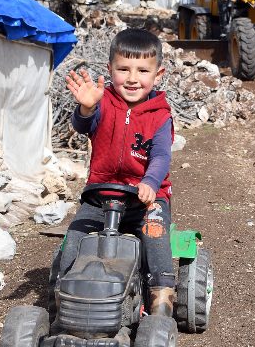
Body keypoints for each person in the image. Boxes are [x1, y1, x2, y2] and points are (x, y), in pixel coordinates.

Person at [60, 28, 175, 318]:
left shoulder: (160, 115)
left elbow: (161, 156)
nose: (132, 78)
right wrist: (86, 108)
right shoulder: (103, 101)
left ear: (157, 75)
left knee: (156, 234)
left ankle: (160, 300)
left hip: (146, 198)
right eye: (123, 69)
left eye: (142, 70)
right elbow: (84, 125)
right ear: (111, 69)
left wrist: (149, 182)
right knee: (74, 238)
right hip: (101, 195)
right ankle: (65, 296)